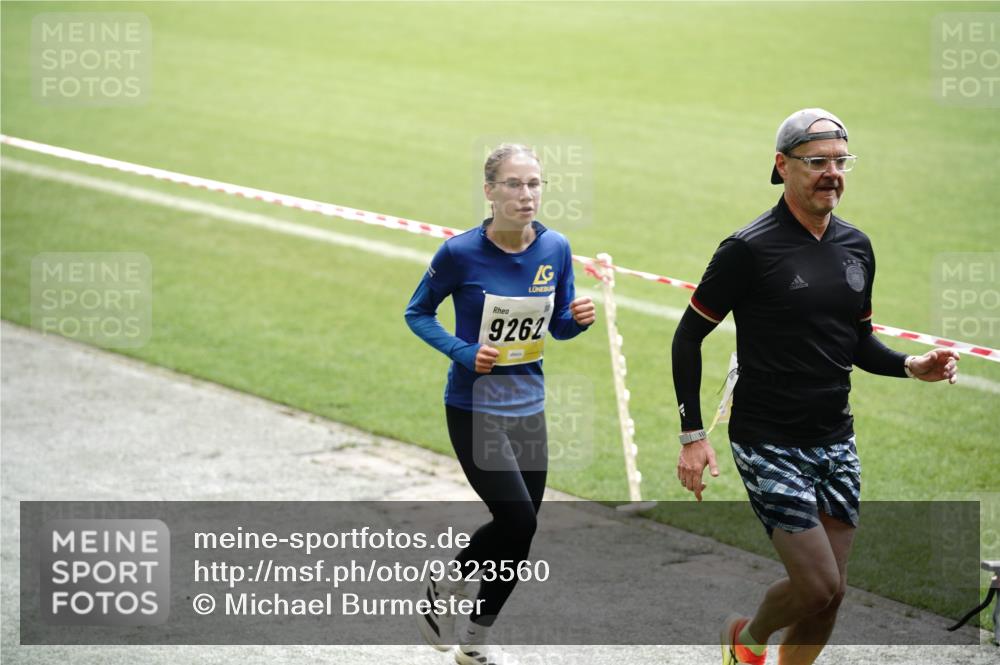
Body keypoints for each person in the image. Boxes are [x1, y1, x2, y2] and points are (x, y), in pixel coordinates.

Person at [670, 109, 959, 665]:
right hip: (768, 439)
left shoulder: (857, 246)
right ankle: (746, 640)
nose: (832, 173)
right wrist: (691, 435)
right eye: (816, 162)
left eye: (840, 161)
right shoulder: (748, 249)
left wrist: (908, 366)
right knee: (816, 585)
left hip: (835, 437)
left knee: (831, 596)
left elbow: (857, 341)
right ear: (782, 167)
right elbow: (688, 339)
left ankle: (756, 653)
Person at [405, 143, 595, 665]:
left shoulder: (556, 247)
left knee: (520, 531)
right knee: (518, 521)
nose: (526, 194)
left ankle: (474, 640)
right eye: (514, 184)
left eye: (534, 184)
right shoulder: (459, 253)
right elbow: (417, 313)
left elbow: (554, 328)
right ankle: (447, 582)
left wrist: (576, 320)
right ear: (490, 192)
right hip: (473, 406)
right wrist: (464, 352)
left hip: (529, 406)